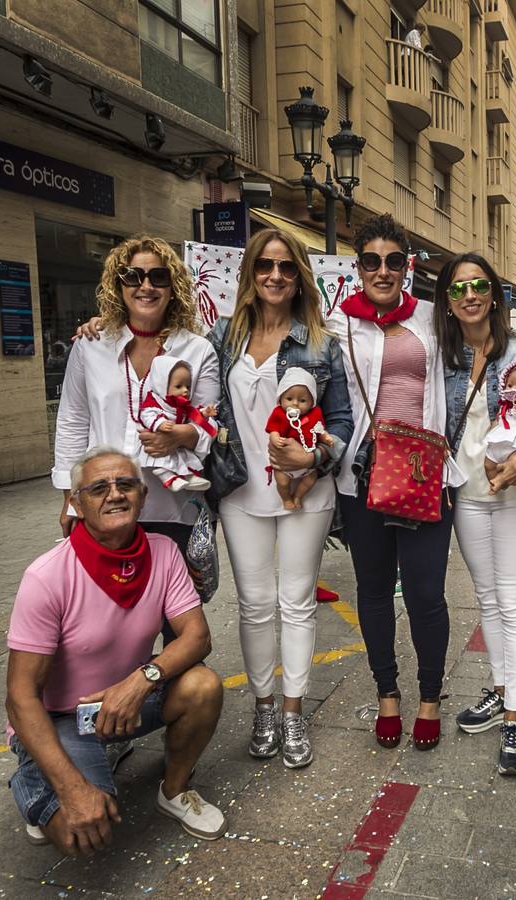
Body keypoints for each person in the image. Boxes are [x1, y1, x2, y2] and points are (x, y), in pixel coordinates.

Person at [5, 447, 226, 852]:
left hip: (127, 700)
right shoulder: (47, 576)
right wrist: (71, 790)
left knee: (203, 685)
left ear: (143, 495)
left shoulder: (162, 551)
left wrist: (142, 680)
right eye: (98, 488)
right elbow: (20, 697)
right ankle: (31, 780)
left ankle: (174, 792)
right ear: (76, 503)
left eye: (126, 484)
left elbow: (197, 637)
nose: (115, 494)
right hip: (62, 718)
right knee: (83, 829)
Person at [209, 227, 352, 769]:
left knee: (295, 603)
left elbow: (340, 422)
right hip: (240, 489)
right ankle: (263, 706)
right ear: (250, 273)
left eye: (286, 267)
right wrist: (102, 325)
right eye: (265, 266)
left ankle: (293, 710)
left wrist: (314, 462)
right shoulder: (223, 336)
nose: (275, 276)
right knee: (254, 604)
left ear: (299, 277)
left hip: (305, 492)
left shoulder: (320, 342)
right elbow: (168, 349)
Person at [327, 214, 460, 752]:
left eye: (393, 261)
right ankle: (388, 693)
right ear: (357, 267)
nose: (382, 271)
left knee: (427, 592)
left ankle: (429, 697)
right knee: (374, 592)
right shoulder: (338, 324)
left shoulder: (433, 318)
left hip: (427, 473)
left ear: (407, 266)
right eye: (371, 261)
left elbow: (490, 333)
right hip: (363, 475)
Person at [437, 252, 516, 777]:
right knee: (486, 599)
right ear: (446, 301)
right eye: (457, 288)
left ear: (494, 293)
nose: (469, 295)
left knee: (514, 601)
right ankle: (498, 687)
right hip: (467, 493)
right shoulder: (441, 355)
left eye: (478, 285)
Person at [53, 237, 220, 565]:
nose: (146, 286)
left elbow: (209, 423)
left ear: (174, 288)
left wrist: (180, 436)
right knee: (106, 610)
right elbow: (72, 422)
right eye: (133, 276)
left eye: (159, 277)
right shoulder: (91, 345)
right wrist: (71, 499)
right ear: (119, 285)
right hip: (103, 503)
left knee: (171, 613)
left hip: (175, 508)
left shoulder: (198, 350)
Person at [128, 357, 215, 493]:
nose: (185, 390)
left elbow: (193, 415)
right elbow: (147, 414)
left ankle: (187, 476)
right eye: (179, 386)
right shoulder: (155, 401)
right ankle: (169, 478)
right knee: (164, 459)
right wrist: (160, 424)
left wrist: (204, 413)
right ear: (163, 385)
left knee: (183, 456)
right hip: (153, 441)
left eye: (187, 386)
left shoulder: (181, 405)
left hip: (174, 443)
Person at [264, 369, 335, 510]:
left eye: (302, 400)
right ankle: (286, 498)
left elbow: (319, 430)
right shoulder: (279, 413)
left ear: (311, 402)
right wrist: (275, 438)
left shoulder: (315, 414)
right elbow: (273, 430)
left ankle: (298, 496)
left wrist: (326, 438)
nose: (295, 404)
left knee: (310, 479)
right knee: (282, 482)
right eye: (289, 399)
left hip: (308, 464)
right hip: (284, 464)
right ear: (280, 398)